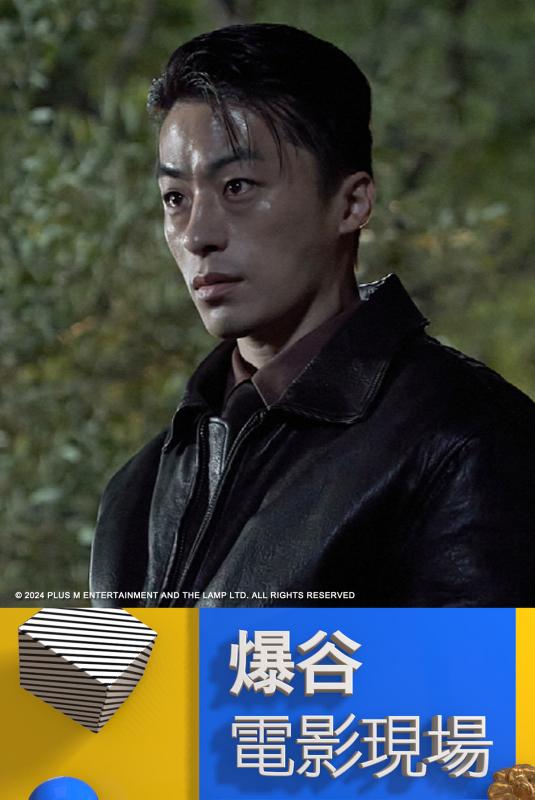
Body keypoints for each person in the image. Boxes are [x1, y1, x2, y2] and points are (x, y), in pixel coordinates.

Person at [90, 23, 535, 608]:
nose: (197, 235)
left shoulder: (466, 440)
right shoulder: (139, 488)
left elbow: (484, 669)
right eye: (176, 198)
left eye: (238, 186)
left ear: (352, 202)